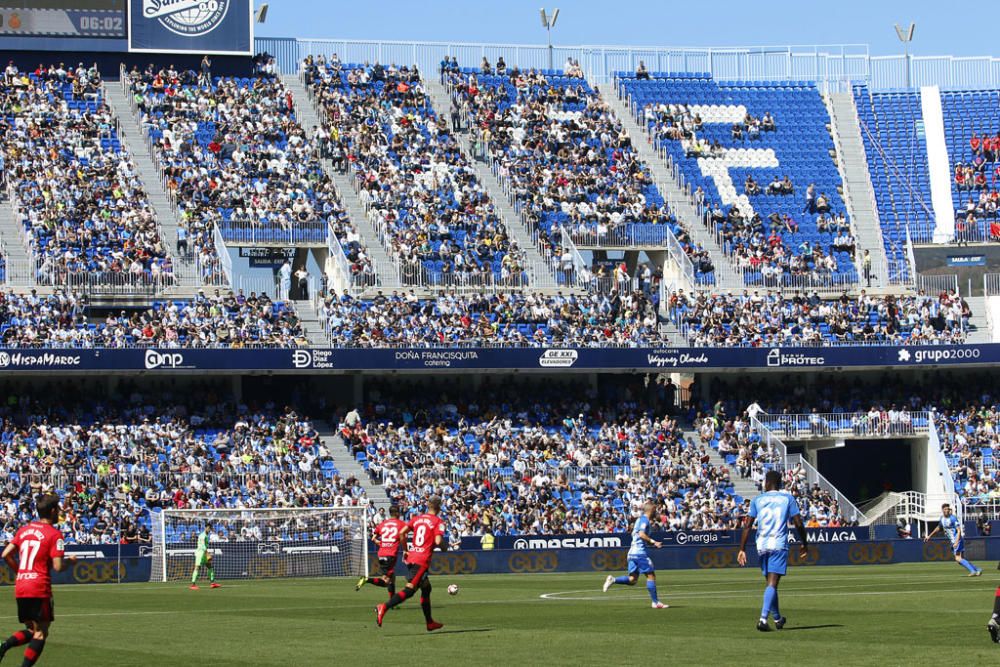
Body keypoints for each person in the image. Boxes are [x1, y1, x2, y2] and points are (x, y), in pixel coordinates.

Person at [0, 493, 77, 666]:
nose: (58, 512)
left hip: (21, 585)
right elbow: (57, 567)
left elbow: (5, 555)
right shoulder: (55, 535)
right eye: (57, 509)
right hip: (39, 586)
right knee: (41, 632)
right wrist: (70, 562)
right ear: (51, 511)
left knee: (31, 629)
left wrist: (20, 572)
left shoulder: (24, 530)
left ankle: (3, 646)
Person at [737, 470, 809, 632]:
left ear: (767, 483)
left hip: (762, 545)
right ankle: (763, 619)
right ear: (780, 483)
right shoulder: (787, 499)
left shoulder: (758, 500)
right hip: (778, 544)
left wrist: (742, 549)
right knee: (772, 583)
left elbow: (747, 525)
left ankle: (777, 618)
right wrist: (804, 543)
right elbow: (798, 523)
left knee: (771, 584)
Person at [376, 496, 445, 631]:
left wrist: (406, 550)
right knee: (410, 590)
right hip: (421, 560)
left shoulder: (417, 519)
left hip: (412, 557)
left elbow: (402, 533)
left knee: (426, 588)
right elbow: (438, 542)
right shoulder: (438, 522)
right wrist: (444, 546)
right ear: (438, 507)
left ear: (428, 505)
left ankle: (430, 622)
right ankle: (384, 606)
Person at [601, 501, 667, 608]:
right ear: (651, 510)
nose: (656, 512)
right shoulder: (644, 520)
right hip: (639, 553)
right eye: (655, 510)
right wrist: (653, 542)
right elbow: (641, 534)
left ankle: (613, 580)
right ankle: (655, 602)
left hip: (631, 553)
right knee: (651, 576)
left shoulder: (640, 520)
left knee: (632, 580)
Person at [357, 506, 406, 598]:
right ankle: (367, 580)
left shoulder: (383, 524)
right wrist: (405, 550)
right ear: (397, 513)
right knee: (386, 582)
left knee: (392, 578)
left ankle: (392, 602)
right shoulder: (401, 524)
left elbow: (373, 538)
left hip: (381, 554)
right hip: (390, 555)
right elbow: (403, 538)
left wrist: (383, 544)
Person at [924, 503, 982, 577]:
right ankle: (977, 569)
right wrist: (929, 536)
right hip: (953, 541)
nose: (947, 510)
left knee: (958, 558)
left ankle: (973, 571)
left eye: (948, 509)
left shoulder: (953, 518)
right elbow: (938, 527)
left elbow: (959, 530)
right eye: (945, 509)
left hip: (957, 539)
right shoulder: (942, 518)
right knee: (960, 560)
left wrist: (956, 541)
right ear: (942, 510)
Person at [189, 525, 221, 590]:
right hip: (200, 553)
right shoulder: (202, 535)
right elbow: (203, 546)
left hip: (204, 553)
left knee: (209, 566)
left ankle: (212, 583)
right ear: (205, 528)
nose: (209, 529)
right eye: (208, 528)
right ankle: (193, 584)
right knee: (197, 567)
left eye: (210, 528)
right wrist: (208, 554)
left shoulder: (206, 535)